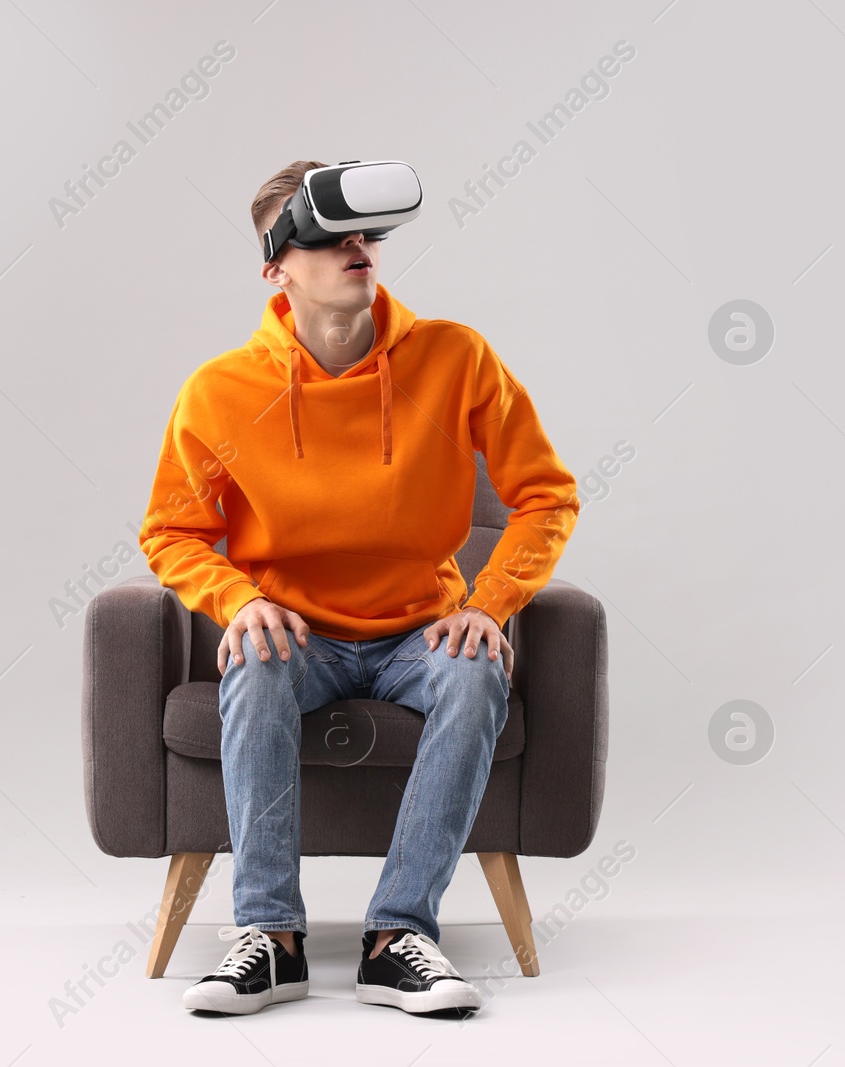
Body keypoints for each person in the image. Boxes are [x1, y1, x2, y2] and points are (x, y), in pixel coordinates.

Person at [137, 159, 579, 1016]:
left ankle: (397, 937)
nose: (358, 248)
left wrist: (490, 604)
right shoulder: (221, 391)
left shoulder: (456, 357)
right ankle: (270, 938)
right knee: (254, 664)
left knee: (477, 670)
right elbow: (170, 529)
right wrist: (240, 600)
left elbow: (547, 495)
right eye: (328, 236)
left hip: (423, 630)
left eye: (367, 234)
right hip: (295, 635)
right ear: (276, 266)